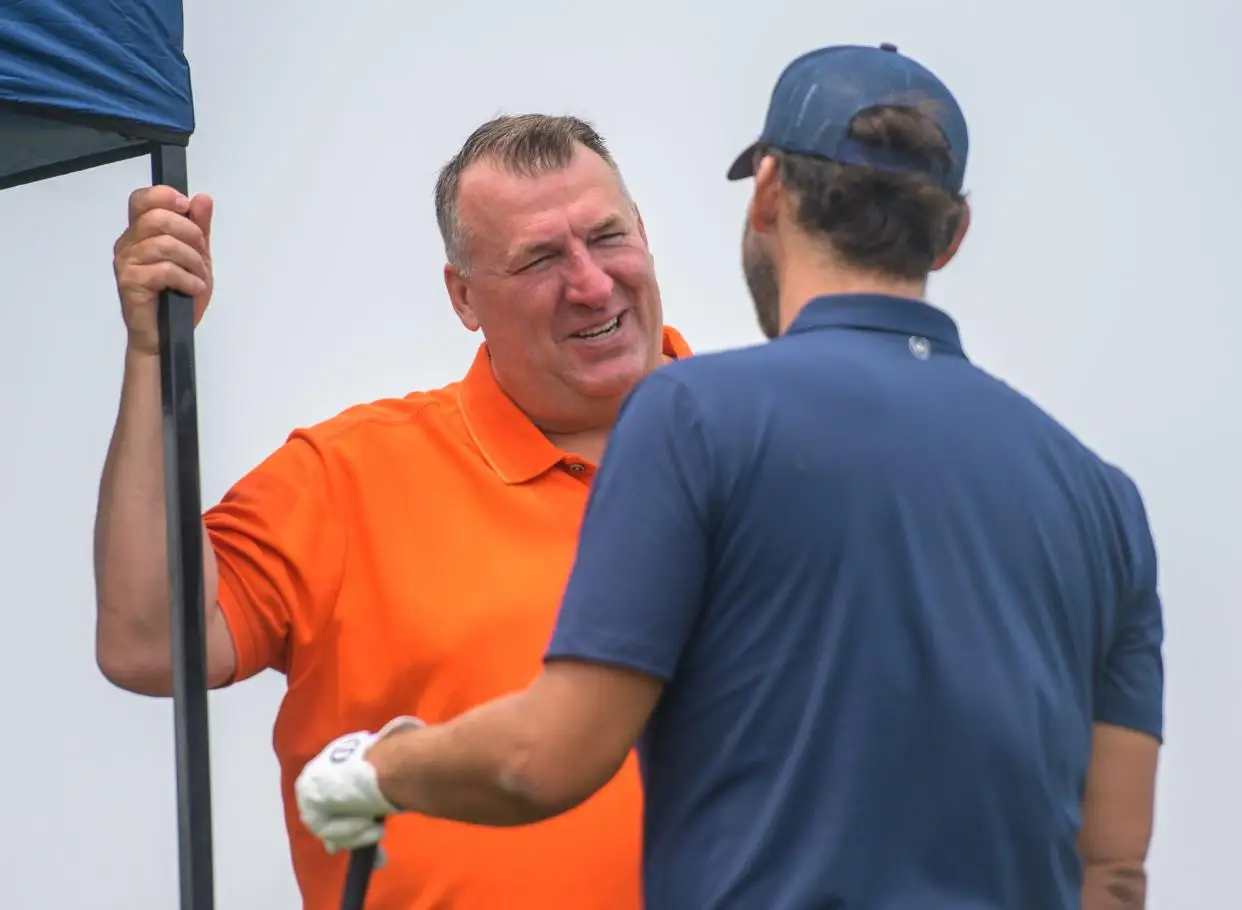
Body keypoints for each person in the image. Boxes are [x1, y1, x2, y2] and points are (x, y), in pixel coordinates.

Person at [294, 43, 1165, 910]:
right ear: (953, 233)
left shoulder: (693, 419)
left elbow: (544, 759)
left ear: (771, 194)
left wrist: (375, 768)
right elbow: (1114, 872)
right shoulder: (1102, 501)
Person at [95, 113, 694, 910]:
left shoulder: (772, 447)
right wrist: (152, 354)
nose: (589, 283)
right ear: (464, 297)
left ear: (646, 235)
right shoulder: (350, 477)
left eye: (607, 237)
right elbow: (148, 641)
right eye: (541, 258)